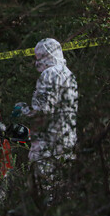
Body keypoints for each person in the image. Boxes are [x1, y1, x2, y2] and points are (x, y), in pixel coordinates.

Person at [12, 38, 78, 185]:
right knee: (61, 186)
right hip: (67, 140)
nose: (37, 61)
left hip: (48, 143)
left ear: (44, 54)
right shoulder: (69, 75)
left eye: (38, 57)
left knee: (45, 185)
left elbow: (43, 110)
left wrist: (23, 109)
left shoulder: (49, 74)